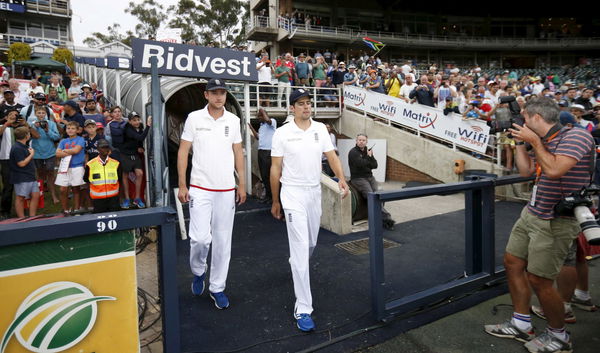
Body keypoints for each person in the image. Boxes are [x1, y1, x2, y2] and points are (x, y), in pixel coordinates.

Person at [484, 97, 594, 353]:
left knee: (540, 280)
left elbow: (555, 170)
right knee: (512, 263)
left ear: (535, 118)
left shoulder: (576, 137)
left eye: (523, 118)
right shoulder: (543, 141)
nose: (520, 121)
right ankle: (521, 324)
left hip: (556, 220)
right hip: (532, 212)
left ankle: (559, 336)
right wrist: (522, 144)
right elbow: (524, 172)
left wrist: (533, 141)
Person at [270, 88, 349, 332]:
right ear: (292, 108)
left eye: (308, 103)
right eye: (301, 103)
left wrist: (341, 178)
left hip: (314, 193)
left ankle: (297, 262)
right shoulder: (282, 133)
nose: (306, 107)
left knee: (310, 245)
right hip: (291, 193)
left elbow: (332, 156)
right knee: (301, 248)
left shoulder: (320, 129)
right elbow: (275, 169)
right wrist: (275, 201)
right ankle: (303, 307)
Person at [177, 78, 246, 310]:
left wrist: (242, 184)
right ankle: (198, 271)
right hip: (199, 187)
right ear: (206, 95)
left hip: (226, 189)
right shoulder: (194, 118)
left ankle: (217, 288)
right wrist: (182, 184)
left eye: (222, 93)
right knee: (199, 238)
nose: (219, 97)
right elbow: (183, 151)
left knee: (223, 242)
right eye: (214, 92)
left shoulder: (234, 120)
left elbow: (238, 153)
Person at [348, 133, 395, 230]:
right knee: (371, 196)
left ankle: (378, 216)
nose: (361, 142)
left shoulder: (367, 151)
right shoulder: (353, 152)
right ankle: (386, 218)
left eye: (363, 140)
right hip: (358, 178)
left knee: (378, 195)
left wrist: (370, 157)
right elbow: (360, 164)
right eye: (359, 140)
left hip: (369, 177)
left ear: (366, 142)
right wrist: (368, 158)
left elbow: (375, 165)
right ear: (356, 141)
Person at [0, 108, 38, 219]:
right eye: (11, 115)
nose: (13, 117)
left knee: (24, 185)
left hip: (23, 158)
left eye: (16, 115)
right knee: (8, 186)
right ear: (6, 117)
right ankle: (4, 211)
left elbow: (36, 136)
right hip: (6, 158)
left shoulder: (23, 129)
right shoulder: (3, 127)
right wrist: (7, 123)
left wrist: (25, 124)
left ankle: (25, 211)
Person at [30, 105, 61, 204]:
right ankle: (40, 196)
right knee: (40, 175)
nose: (41, 115)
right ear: (35, 114)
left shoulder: (51, 124)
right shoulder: (31, 124)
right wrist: (35, 127)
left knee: (50, 174)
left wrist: (47, 130)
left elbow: (56, 137)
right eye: (39, 113)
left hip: (50, 152)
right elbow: (29, 137)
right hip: (37, 153)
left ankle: (53, 195)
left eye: (43, 113)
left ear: (46, 114)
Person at [121, 112, 151, 209]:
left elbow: (138, 140)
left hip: (134, 154)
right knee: (125, 175)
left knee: (140, 174)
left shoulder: (140, 126)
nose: (137, 122)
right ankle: (126, 199)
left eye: (138, 119)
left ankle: (137, 198)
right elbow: (140, 137)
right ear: (129, 121)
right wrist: (148, 126)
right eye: (134, 120)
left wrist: (140, 146)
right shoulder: (128, 129)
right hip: (125, 154)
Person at [55, 121, 86, 215]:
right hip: (64, 167)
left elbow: (76, 150)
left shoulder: (80, 139)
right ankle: (65, 210)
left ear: (77, 130)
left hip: (77, 166)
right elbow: (57, 153)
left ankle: (76, 209)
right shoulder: (63, 141)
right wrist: (69, 151)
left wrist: (65, 151)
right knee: (63, 189)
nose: (70, 130)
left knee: (76, 188)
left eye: (73, 128)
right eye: (68, 128)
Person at [9, 126, 40, 218]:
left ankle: (32, 216)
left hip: (30, 176)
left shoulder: (24, 146)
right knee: (20, 197)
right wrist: (31, 155)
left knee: (36, 195)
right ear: (27, 135)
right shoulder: (17, 148)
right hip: (21, 177)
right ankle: (21, 218)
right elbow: (21, 164)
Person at [84, 139, 121, 213]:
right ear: (98, 149)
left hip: (113, 200)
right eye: (103, 147)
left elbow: (120, 179)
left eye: (107, 147)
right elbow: (86, 180)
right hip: (98, 201)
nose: (105, 149)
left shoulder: (116, 163)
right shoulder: (90, 164)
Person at [248, 108, 276, 203]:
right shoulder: (261, 126)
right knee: (264, 176)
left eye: (260, 116)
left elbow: (268, 120)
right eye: (258, 116)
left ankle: (272, 197)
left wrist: (262, 111)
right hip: (261, 151)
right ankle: (268, 196)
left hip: (268, 152)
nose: (259, 117)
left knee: (269, 175)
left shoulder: (272, 122)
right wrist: (251, 127)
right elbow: (257, 137)